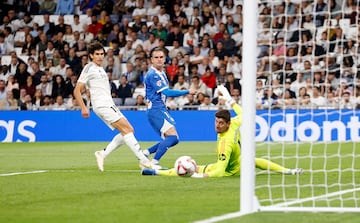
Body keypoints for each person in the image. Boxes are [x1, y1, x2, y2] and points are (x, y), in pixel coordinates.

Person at [142, 85, 303, 177]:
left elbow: (219, 172)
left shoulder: (224, 143)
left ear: (227, 124)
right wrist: (230, 100)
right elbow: (244, 114)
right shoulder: (234, 123)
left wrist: (197, 176)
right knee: (253, 160)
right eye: (216, 122)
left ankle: (157, 172)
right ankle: (154, 172)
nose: (217, 125)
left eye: (220, 123)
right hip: (239, 161)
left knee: (191, 169)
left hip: (230, 171)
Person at [73, 42, 151, 172]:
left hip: (109, 104)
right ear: (91, 55)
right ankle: (144, 161)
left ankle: (102, 154)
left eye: (101, 54)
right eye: (96, 54)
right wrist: (83, 107)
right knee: (126, 130)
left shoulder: (101, 68)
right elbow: (77, 90)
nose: (99, 56)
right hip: (101, 105)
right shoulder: (89, 67)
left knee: (129, 130)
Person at [142, 47, 197, 169]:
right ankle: (154, 162)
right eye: (156, 57)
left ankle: (145, 153)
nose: (159, 60)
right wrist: (187, 91)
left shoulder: (161, 73)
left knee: (173, 138)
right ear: (151, 60)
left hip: (160, 108)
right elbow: (167, 92)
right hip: (156, 109)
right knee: (173, 137)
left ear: (165, 58)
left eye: (161, 57)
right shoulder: (153, 75)